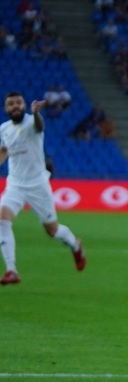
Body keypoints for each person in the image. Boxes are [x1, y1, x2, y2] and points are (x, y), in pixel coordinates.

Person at [0, 93, 85, 285]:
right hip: (15, 185)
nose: (15, 106)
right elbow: (4, 150)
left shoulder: (32, 122)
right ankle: (12, 270)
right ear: (6, 109)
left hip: (37, 185)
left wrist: (37, 113)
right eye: (11, 104)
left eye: (18, 102)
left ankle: (75, 245)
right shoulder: (3, 128)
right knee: (2, 220)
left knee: (52, 230)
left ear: (24, 105)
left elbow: (40, 126)